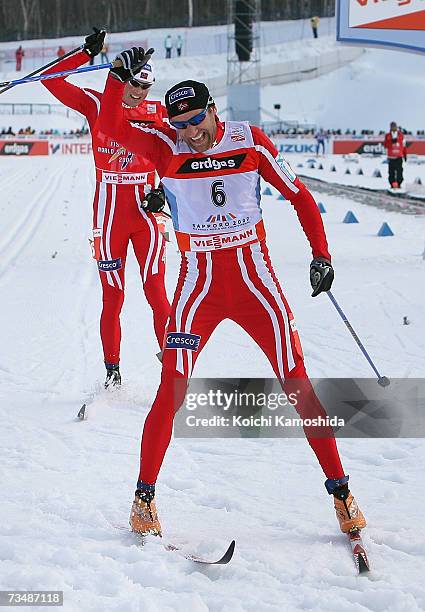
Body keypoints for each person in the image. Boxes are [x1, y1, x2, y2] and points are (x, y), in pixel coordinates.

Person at [97, 47, 366, 537]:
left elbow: (299, 195)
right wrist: (118, 77)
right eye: (181, 125)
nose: (190, 134)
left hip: (253, 281)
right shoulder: (166, 145)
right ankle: (143, 500)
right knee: (171, 390)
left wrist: (321, 254)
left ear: (213, 111)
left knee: (296, 383)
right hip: (197, 287)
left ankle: (342, 492)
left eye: (197, 121)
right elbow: (112, 125)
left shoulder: (249, 141)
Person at [40, 34, 170, 388]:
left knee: (156, 291)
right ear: (120, 78)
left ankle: (173, 370)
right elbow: (50, 79)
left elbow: (182, 156)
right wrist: (85, 54)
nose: (139, 92)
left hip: (146, 213)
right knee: (113, 296)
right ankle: (112, 372)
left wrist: (163, 191)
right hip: (109, 215)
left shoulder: (158, 112)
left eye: (146, 86)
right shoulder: (97, 105)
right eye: (133, 83)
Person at [384, 121, 407, 189]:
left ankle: (399, 184)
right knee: (391, 172)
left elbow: (404, 146)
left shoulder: (401, 135)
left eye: (394, 126)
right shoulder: (388, 135)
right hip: (391, 157)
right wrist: (391, 142)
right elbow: (385, 145)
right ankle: (392, 184)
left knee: (400, 171)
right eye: (392, 126)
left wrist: (405, 155)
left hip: (399, 156)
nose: (393, 128)